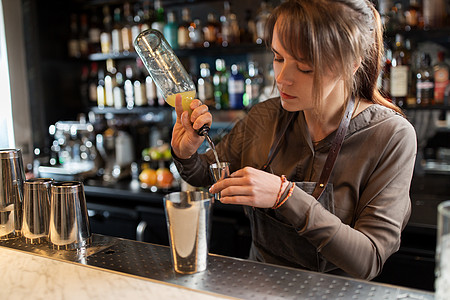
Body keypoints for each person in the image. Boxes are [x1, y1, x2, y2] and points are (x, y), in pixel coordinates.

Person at [170, 0, 416, 280]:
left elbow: (369, 259)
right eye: (278, 58)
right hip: (258, 286)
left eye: (305, 67)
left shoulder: (391, 135)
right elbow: (210, 176)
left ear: (350, 65)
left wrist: (285, 196)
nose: (283, 78)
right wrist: (186, 153)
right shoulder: (265, 116)